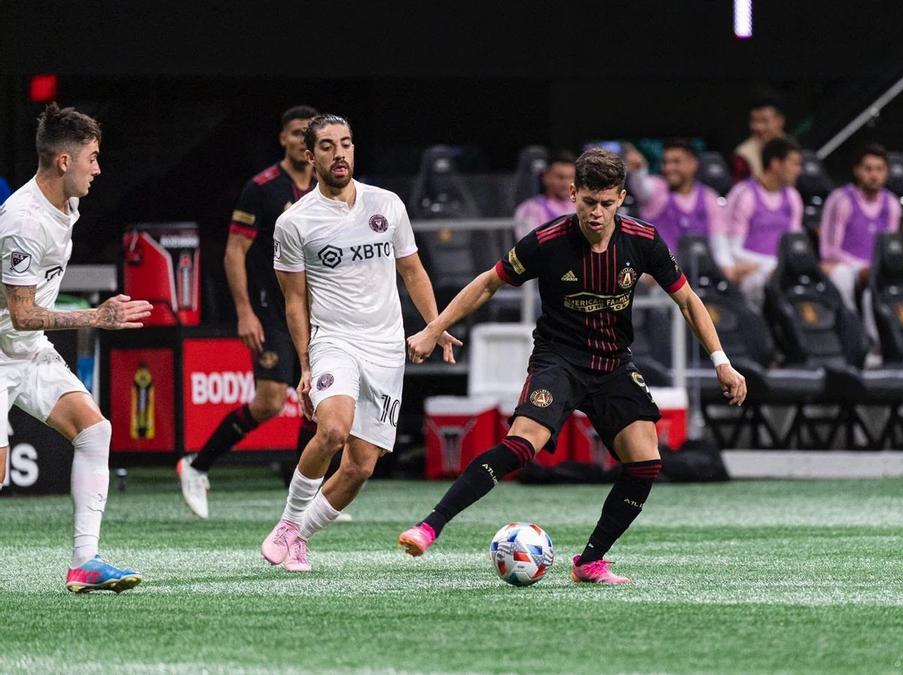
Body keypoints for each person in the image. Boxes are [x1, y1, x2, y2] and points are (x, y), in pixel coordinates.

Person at [397, 148, 747, 584]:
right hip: (558, 359)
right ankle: (431, 525)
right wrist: (434, 328)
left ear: (621, 198)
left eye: (605, 203)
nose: (596, 213)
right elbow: (488, 283)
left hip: (613, 363)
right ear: (572, 193)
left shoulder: (643, 240)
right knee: (523, 444)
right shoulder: (547, 241)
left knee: (646, 461)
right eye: (587, 202)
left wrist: (722, 362)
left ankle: (590, 562)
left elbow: (689, 301)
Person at [259, 114, 459, 573]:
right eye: (327, 146)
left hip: (386, 349)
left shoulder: (386, 205)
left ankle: (300, 538)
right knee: (331, 430)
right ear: (310, 157)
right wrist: (306, 366)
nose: (339, 153)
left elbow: (413, 271)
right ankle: (289, 523)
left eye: (345, 143)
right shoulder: (294, 223)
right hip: (335, 340)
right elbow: (294, 301)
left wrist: (434, 323)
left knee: (361, 466)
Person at [0, 104, 152, 592]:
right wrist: (96, 316)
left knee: (94, 431)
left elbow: (24, 323)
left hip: (26, 349)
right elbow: (22, 312)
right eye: (92, 157)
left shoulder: (68, 205)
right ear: (64, 161)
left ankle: (85, 562)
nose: (98, 168)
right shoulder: (22, 220)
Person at [178, 105, 319, 519]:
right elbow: (234, 252)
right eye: (295, 133)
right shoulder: (262, 188)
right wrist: (244, 311)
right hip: (270, 308)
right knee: (271, 401)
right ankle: (197, 465)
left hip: (318, 312)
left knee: (320, 400)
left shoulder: (327, 189)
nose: (301, 141)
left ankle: (303, 496)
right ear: (283, 139)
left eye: (308, 134)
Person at [715, 137, 803, 308]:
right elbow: (732, 249)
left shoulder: (793, 197)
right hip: (748, 273)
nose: (799, 170)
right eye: (794, 164)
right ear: (776, 164)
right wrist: (769, 268)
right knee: (757, 281)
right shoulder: (744, 195)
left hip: (776, 270)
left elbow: (794, 246)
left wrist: (775, 268)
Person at [819, 143, 903, 311]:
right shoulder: (841, 200)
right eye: (868, 169)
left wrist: (874, 268)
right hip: (844, 266)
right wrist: (861, 267)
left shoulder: (892, 204)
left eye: (879, 169)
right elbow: (828, 251)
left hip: (873, 268)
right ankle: (848, 318)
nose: (874, 175)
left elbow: (889, 248)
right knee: (843, 275)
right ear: (857, 171)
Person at [624, 139, 725, 253]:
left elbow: (719, 244)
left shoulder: (709, 198)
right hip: (658, 269)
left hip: (700, 268)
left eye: (676, 162)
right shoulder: (658, 190)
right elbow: (641, 188)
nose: (668, 168)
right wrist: (638, 170)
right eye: (665, 162)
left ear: (693, 164)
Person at [513, 151, 576, 239]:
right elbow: (528, 244)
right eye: (560, 177)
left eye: (570, 177)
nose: (565, 183)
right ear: (546, 177)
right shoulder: (529, 208)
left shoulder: (582, 206)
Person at [731, 98, 787, 183]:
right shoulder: (743, 155)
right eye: (754, 121)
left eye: (764, 121)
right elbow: (740, 189)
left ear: (780, 121)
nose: (758, 127)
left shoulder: (793, 149)